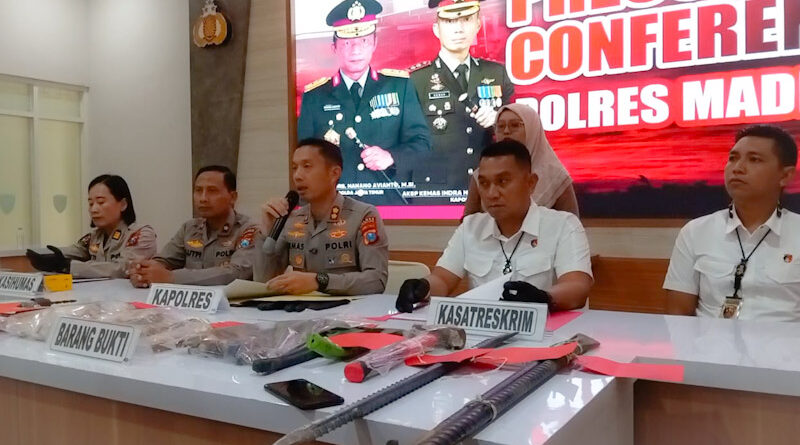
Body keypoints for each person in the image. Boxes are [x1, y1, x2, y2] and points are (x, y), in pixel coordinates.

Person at [395, 139, 593, 312]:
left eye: (502, 181)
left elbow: (577, 286)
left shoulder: (563, 225)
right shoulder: (471, 227)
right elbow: (443, 279)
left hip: (547, 333)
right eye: (484, 183)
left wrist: (544, 298)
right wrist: (423, 287)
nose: (491, 194)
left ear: (531, 183)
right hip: (483, 335)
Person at [297, 0, 430, 205]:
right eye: (347, 43)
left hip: (388, 206)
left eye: (364, 41)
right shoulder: (315, 96)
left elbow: (422, 144)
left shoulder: (399, 86)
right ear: (334, 47)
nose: (356, 50)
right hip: (334, 207)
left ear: (374, 43)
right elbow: (304, 160)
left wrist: (391, 157)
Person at [663, 125, 799, 321]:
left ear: (785, 175)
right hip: (711, 340)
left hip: (784, 341)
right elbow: (678, 316)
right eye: (733, 158)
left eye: (754, 159)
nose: (737, 168)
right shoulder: (696, 231)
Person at [409, 0, 515, 199]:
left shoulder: (496, 73)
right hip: (436, 193)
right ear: (436, 29)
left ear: (478, 24)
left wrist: (497, 121)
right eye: (449, 21)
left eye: (466, 19)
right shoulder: (416, 80)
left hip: (487, 191)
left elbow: (516, 136)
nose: (458, 29)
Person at [255, 138, 388, 295]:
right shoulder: (292, 219)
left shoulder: (363, 215)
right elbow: (264, 282)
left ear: (334, 174)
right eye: (294, 168)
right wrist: (266, 233)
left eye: (307, 166)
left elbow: (376, 281)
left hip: (348, 309)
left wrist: (319, 281)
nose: (297, 176)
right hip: (299, 308)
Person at [129, 165, 260, 287]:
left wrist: (172, 278)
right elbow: (165, 261)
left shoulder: (248, 230)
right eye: (198, 190)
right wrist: (145, 272)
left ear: (233, 197)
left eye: (212, 191)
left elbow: (237, 273)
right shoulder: (190, 228)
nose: (203, 198)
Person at [26, 175, 156, 278]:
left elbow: (123, 269)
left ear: (123, 204)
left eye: (101, 202)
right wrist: (47, 257)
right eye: (90, 204)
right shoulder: (94, 236)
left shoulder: (141, 234)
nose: (94, 209)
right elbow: (72, 252)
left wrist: (69, 266)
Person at [463, 103, 579, 217]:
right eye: (501, 126)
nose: (506, 131)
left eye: (514, 125)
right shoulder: (482, 175)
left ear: (532, 129)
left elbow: (572, 225)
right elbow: (467, 224)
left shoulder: (556, 177)